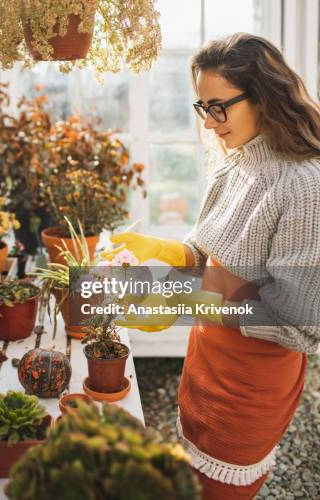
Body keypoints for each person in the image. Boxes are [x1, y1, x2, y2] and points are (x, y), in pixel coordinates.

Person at [104, 33, 320, 499]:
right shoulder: (234, 163)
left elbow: (299, 324)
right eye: (203, 108)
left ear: (263, 95)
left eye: (218, 107)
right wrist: (163, 251)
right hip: (205, 365)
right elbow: (210, 253)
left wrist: (188, 300)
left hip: (250, 386)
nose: (209, 123)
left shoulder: (304, 186)